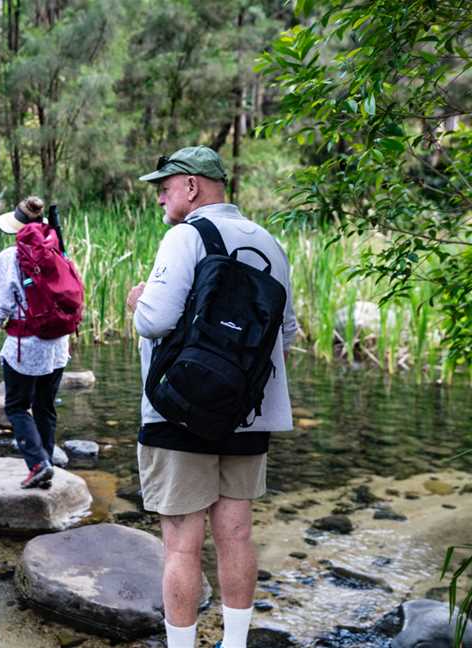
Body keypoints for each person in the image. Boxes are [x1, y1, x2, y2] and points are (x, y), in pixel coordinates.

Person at [126, 146, 297, 648]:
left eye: (164, 188)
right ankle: (235, 643)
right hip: (248, 413)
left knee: (181, 543)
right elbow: (285, 336)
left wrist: (138, 301)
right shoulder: (271, 242)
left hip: (178, 411)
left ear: (192, 187)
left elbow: (154, 320)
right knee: (237, 532)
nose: (160, 197)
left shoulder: (186, 236)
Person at [0, 196, 70, 489]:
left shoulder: (10, 257)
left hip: (26, 344)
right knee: (45, 407)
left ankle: (38, 463)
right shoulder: (59, 250)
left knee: (17, 407)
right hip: (58, 345)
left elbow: (1, 305)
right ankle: (46, 464)